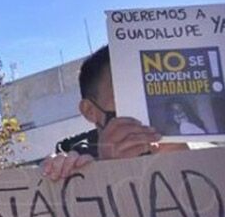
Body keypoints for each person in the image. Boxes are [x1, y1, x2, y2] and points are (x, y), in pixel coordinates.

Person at [42, 45, 186, 181]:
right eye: (126, 96)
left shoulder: (198, 145)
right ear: (90, 111)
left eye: (155, 93)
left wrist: (189, 159)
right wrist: (106, 172)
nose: (146, 106)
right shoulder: (75, 168)